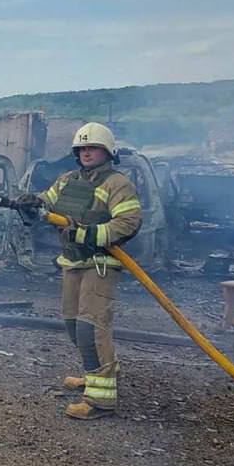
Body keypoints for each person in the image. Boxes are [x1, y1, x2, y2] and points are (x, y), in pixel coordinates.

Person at [14, 123, 142, 420]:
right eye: (82, 148)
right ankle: (98, 370)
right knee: (73, 325)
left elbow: (128, 223)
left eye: (93, 147)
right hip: (72, 262)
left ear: (107, 151)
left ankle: (100, 401)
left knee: (90, 328)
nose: (86, 152)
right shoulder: (68, 179)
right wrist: (32, 201)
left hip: (100, 265)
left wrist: (85, 234)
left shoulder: (117, 184)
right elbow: (48, 201)